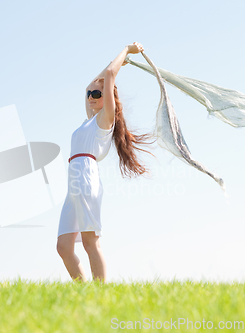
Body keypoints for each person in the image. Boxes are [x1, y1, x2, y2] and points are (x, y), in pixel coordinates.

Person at [56, 42, 157, 283]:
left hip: (86, 175)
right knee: (63, 247)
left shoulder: (105, 119)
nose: (91, 97)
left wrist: (126, 51)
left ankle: (101, 293)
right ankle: (83, 291)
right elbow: (97, 79)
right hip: (74, 179)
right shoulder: (88, 120)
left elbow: (110, 75)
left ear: (108, 98)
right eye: (89, 94)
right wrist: (106, 72)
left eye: (97, 94)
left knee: (91, 242)